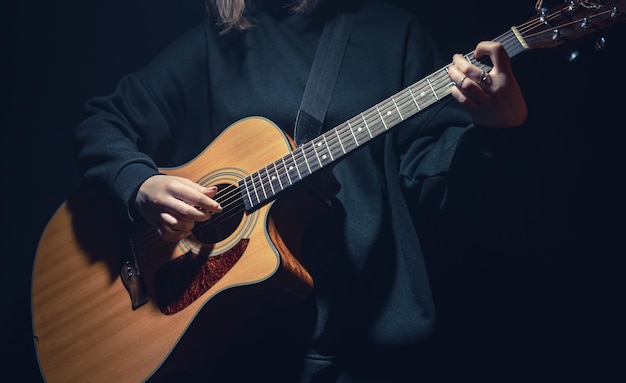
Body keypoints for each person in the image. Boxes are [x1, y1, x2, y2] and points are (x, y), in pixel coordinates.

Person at [73, 0, 529, 382]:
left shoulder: (393, 34)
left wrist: (498, 132)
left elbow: (435, 184)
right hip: (242, 349)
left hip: (363, 344)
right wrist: (140, 183)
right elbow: (102, 122)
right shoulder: (219, 43)